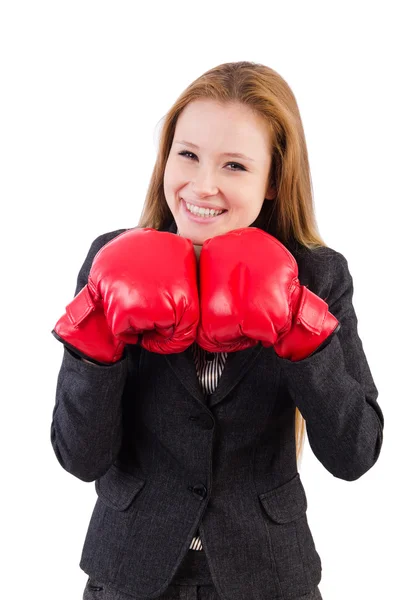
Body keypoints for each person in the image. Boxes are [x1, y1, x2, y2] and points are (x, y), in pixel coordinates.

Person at [50, 61, 384, 600]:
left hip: (269, 576)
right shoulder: (112, 259)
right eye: (188, 155)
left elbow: (355, 454)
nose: (203, 185)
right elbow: (79, 457)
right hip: (130, 572)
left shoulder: (318, 275)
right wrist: (98, 348)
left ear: (273, 179)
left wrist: (300, 326)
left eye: (234, 165)